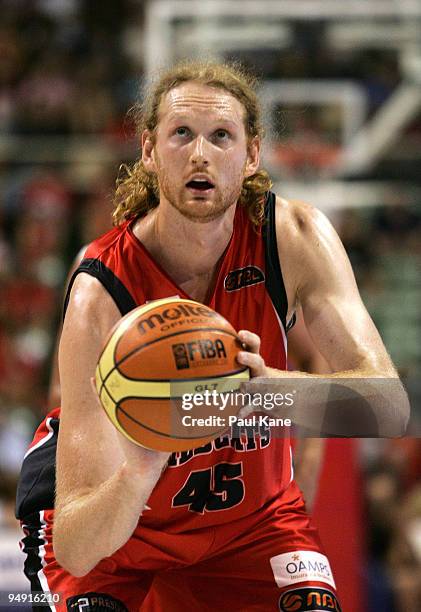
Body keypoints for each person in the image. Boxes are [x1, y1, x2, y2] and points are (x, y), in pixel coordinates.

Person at [16, 61, 409, 612]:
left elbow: (388, 408)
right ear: (150, 152)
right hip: (119, 533)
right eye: (182, 134)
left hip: (248, 527)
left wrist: (269, 394)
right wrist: (141, 467)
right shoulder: (101, 287)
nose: (201, 154)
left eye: (221, 135)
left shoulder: (292, 238)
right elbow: (78, 548)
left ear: (251, 156)